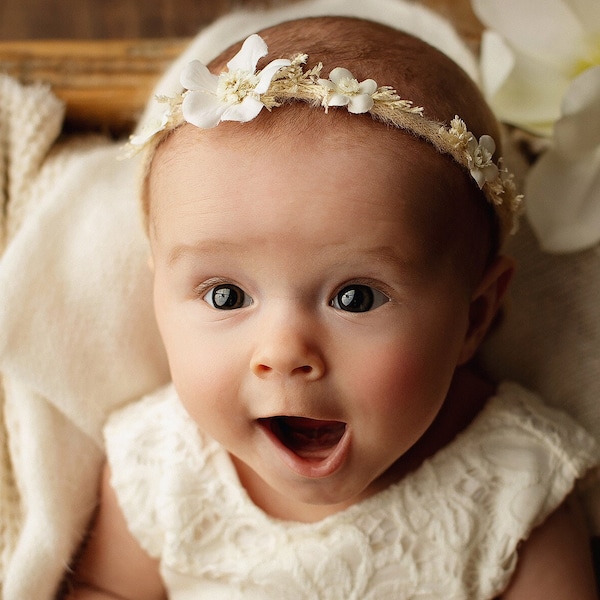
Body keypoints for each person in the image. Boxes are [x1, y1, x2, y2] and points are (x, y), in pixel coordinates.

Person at [64, 15, 599, 600]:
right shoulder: (160, 468)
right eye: (226, 295)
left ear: (473, 316)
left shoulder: (512, 486)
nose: (284, 353)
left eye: (355, 298)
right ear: (158, 298)